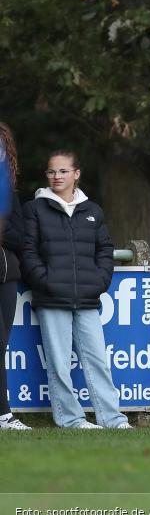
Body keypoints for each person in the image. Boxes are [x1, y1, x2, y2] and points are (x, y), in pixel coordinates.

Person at [21, 150, 131, 429]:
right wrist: (44, 280)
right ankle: (71, 419)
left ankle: (113, 419)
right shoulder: (34, 209)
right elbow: (28, 252)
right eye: (51, 172)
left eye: (62, 171)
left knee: (97, 361)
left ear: (76, 174)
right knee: (58, 365)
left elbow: (105, 249)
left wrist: (100, 280)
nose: (56, 177)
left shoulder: (92, 210)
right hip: (51, 298)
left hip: (87, 298)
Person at [0, 123, 28, 431]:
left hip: (7, 277)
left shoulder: (10, 195)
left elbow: (20, 237)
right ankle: (4, 414)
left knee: (2, 345)